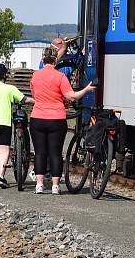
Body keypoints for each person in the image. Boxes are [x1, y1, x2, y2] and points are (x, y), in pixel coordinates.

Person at [30, 45, 95, 194]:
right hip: (56, 119)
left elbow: (35, 96)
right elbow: (71, 96)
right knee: (55, 152)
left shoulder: (35, 76)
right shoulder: (60, 76)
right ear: (55, 59)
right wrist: (86, 90)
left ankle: (39, 185)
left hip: (37, 118)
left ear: (42, 59)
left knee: (40, 152)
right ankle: (55, 186)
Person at [0, 63, 34, 189]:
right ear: (4, 75)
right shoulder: (9, 88)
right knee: (4, 151)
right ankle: (1, 177)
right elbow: (24, 99)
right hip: (4, 124)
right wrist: (36, 101)